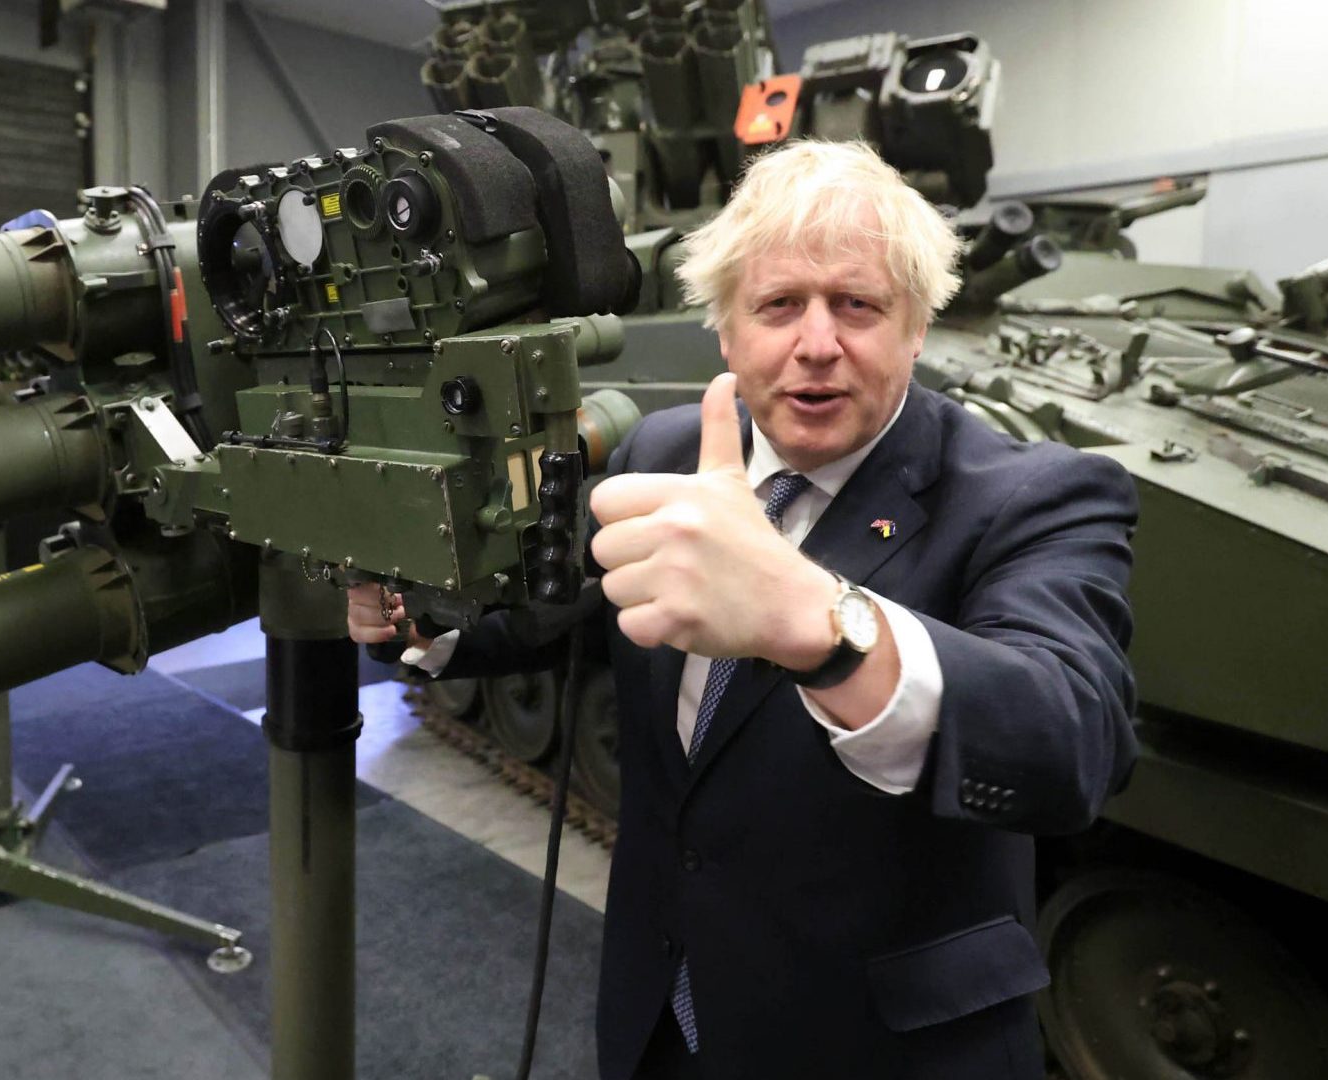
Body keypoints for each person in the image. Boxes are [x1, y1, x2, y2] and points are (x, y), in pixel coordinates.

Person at [348, 139, 1138, 1080]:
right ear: (724, 331)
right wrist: (426, 628)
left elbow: (1072, 742)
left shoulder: (1035, 495)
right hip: (664, 1012)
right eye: (777, 305)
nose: (816, 343)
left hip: (881, 1045)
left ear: (917, 327)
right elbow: (577, 611)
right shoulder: (664, 448)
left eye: (858, 304)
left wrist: (816, 620)